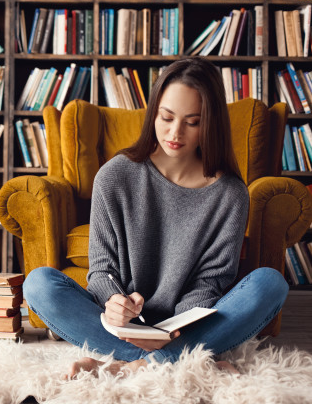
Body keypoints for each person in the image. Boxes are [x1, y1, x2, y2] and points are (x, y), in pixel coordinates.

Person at [23, 57, 289, 378]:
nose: (175, 132)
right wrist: (114, 302)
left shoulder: (230, 194)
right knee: (38, 283)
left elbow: (210, 281)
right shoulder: (115, 175)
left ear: (211, 123)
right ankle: (188, 360)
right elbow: (102, 267)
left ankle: (131, 367)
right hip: (119, 325)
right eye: (166, 117)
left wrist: (179, 326)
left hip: (188, 325)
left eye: (192, 122)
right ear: (154, 114)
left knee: (270, 283)